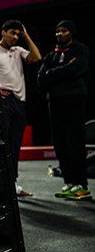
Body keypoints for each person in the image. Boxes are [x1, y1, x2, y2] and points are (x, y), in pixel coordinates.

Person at [0, 20, 42, 197]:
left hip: (19, 102)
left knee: (15, 145)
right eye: (12, 33)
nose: (15, 37)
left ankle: (13, 183)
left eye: (18, 34)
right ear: (3, 32)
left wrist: (26, 36)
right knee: (2, 144)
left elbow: (37, 57)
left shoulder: (18, 51)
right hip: (3, 102)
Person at [38, 20, 91, 201]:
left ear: (71, 33)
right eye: (57, 31)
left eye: (64, 30)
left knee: (75, 142)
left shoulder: (81, 50)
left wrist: (52, 74)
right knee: (60, 143)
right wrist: (61, 73)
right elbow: (41, 78)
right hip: (54, 102)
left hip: (74, 100)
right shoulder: (51, 54)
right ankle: (69, 182)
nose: (59, 34)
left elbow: (76, 69)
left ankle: (81, 185)